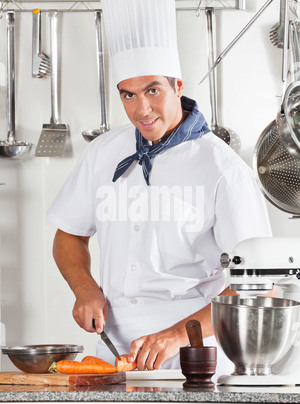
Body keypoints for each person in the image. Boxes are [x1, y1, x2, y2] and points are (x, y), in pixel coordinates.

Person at [47, 0, 272, 373]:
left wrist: (175, 335)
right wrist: (84, 288)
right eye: (128, 95)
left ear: (177, 86)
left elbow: (258, 286)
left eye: (153, 91)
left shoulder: (222, 169)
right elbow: (68, 234)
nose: (141, 109)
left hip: (192, 353)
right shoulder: (103, 152)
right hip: (112, 351)